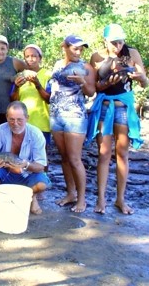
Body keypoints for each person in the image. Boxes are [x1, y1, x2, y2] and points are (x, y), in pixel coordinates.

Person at [87, 24, 148, 215]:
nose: (118, 45)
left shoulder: (131, 53)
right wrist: (107, 83)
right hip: (105, 106)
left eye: (120, 41)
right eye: (113, 42)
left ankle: (120, 199)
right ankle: (101, 200)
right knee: (104, 153)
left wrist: (139, 77)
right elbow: (95, 88)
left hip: (123, 107)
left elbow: (145, 83)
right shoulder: (97, 56)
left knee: (122, 154)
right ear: (105, 40)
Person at [49, 35, 96, 213]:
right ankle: (71, 193)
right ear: (65, 47)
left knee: (75, 158)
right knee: (64, 157)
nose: (78, 52)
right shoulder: (57, 65)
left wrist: (83, 82)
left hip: (75, 117)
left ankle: (82, 199)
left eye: (81, 49)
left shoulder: (86, 67)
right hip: (56, 116)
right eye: (75, 48)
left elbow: (91, 92)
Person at [0, 101, 50, 214]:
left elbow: (41, 166)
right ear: (6, 117)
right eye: (11, 119)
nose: (15, 123)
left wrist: (26, 165)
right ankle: (1, 197)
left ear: (27, 118)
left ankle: (31, 198)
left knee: (42, 184)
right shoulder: (0, 130)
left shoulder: (36, 134)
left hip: (27, 174)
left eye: (19, 119)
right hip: (5, 172)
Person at [11, 44, 52, 168]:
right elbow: (13, 100)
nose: (30, 59)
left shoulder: (48, 75)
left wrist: (37, 84)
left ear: (40, 58)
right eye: (27, 56)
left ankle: (42, 182)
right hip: (21, 123)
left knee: (41, 157)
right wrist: (17, 87)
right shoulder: (20, 75)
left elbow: (49, 99)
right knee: (20, 155)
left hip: (42, 123)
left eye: (34, 56)